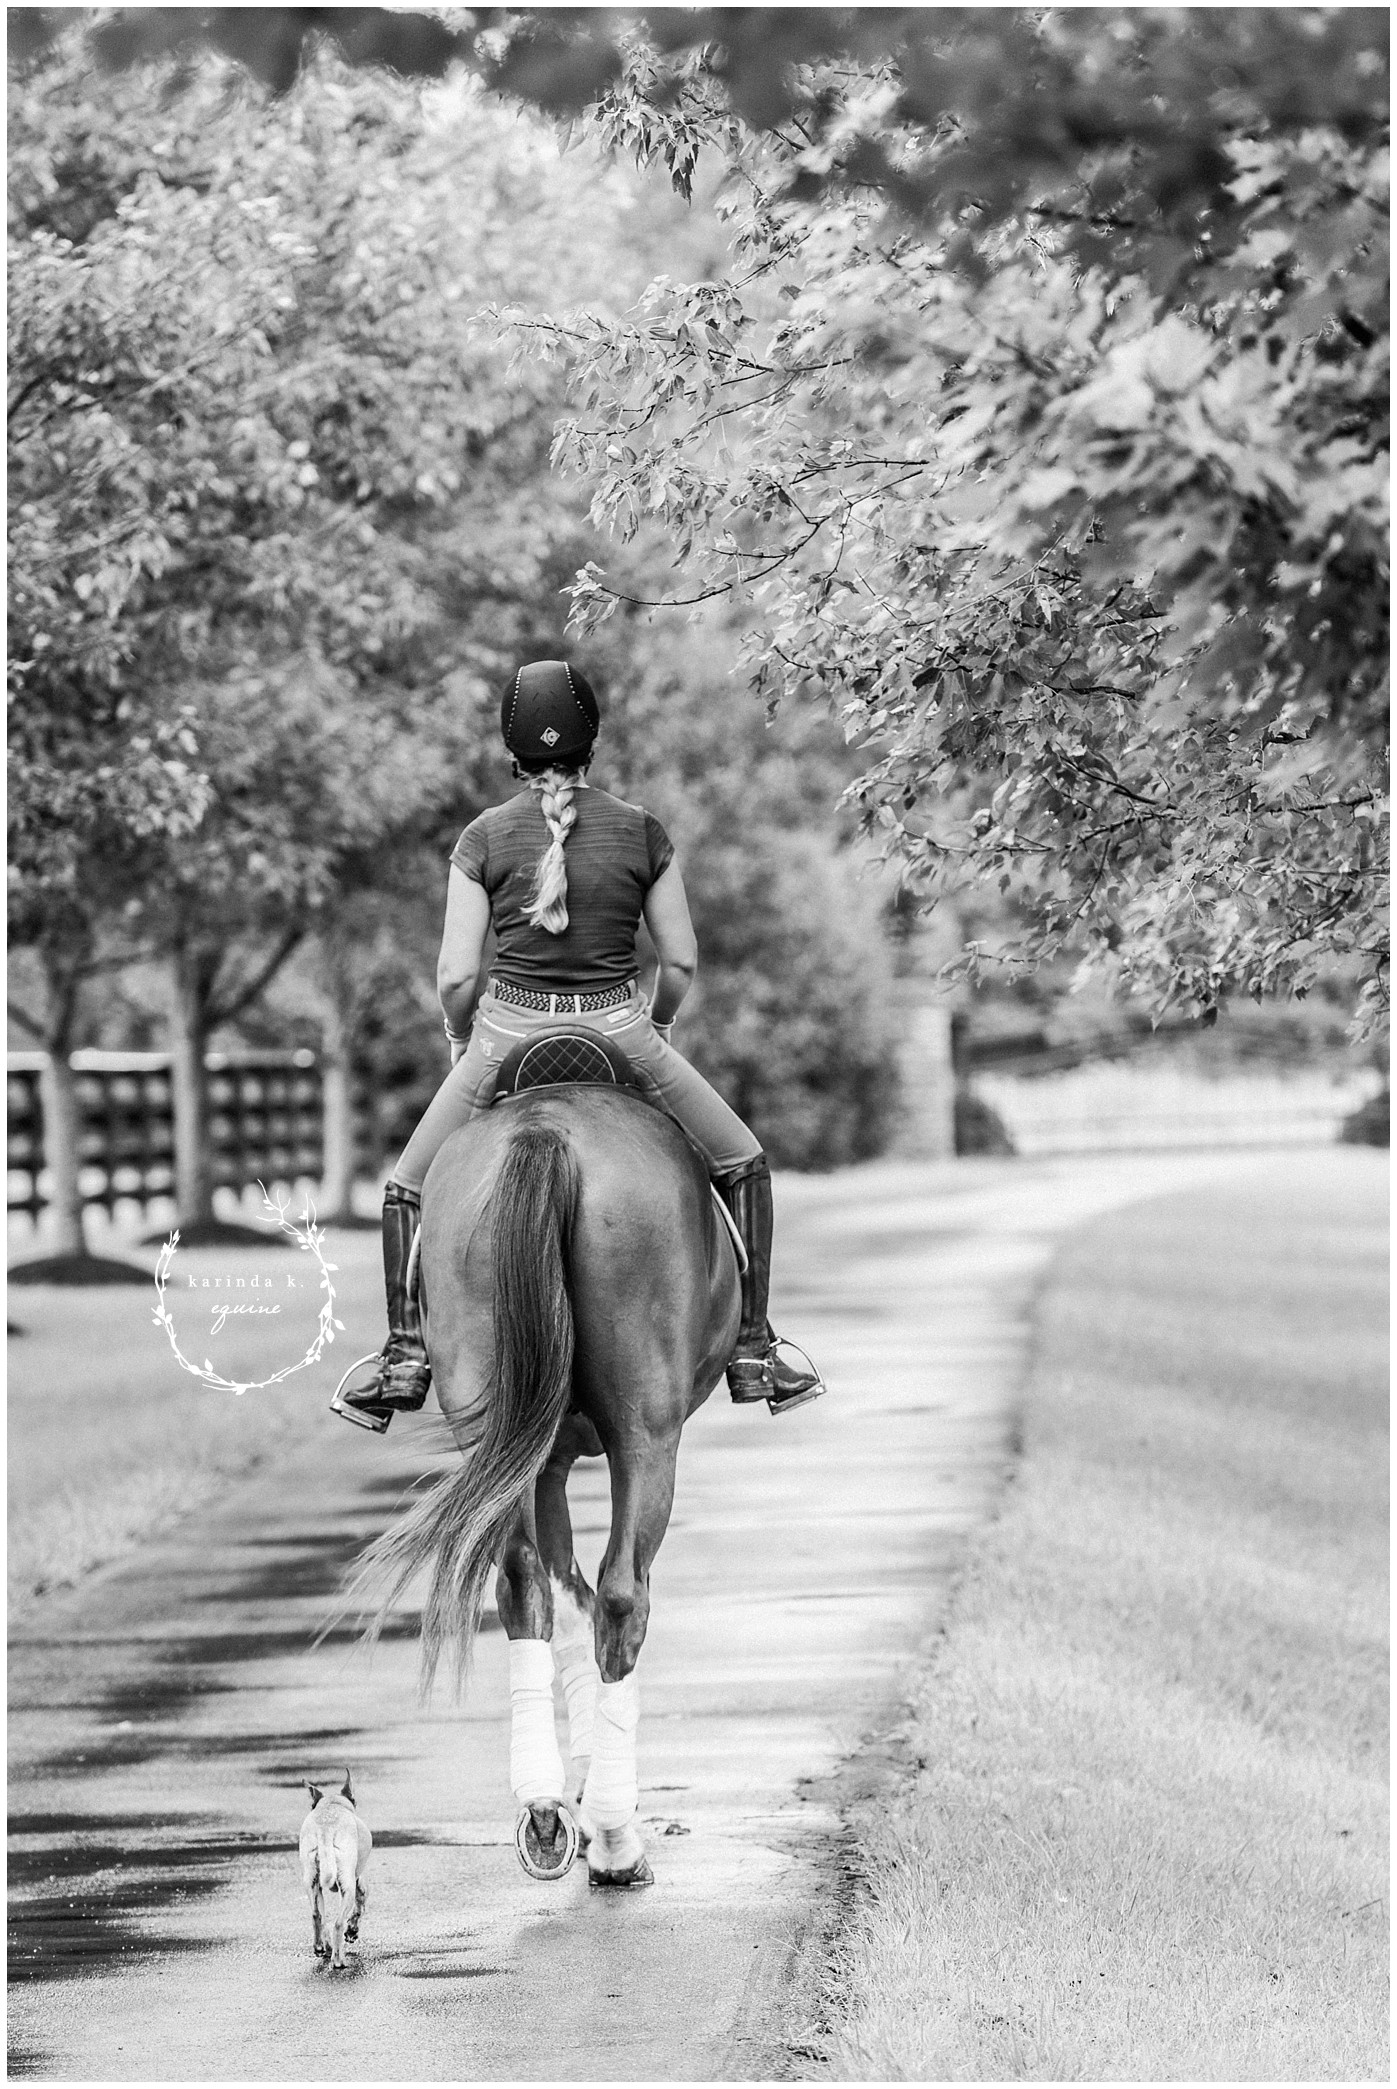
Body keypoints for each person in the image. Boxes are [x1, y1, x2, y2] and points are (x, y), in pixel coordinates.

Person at [340, 658, 826, 1430]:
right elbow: (682, 960)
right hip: (621, 1034)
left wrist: (462, 1037)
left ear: (512, 747)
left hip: (504, 1038)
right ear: (591, 739)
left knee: (406, 1185)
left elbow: (456, 974)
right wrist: (657, 1024)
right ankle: (755, 1346)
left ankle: (403, 1353)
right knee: (743, 1161)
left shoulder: (482, 839)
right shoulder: (640, 830)